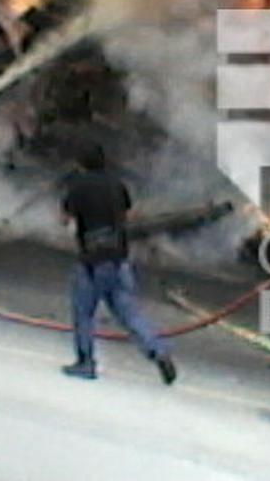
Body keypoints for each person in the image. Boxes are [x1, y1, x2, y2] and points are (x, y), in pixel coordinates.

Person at [60, 143, 176, 384]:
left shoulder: (78, 186)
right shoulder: (117, 184)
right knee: (128, 312)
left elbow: (64, 219)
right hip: (119, 257)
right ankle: (157, 350)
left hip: (91, 260)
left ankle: (85, 362)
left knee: (83, 312)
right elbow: (129, 214)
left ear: (80, 163)